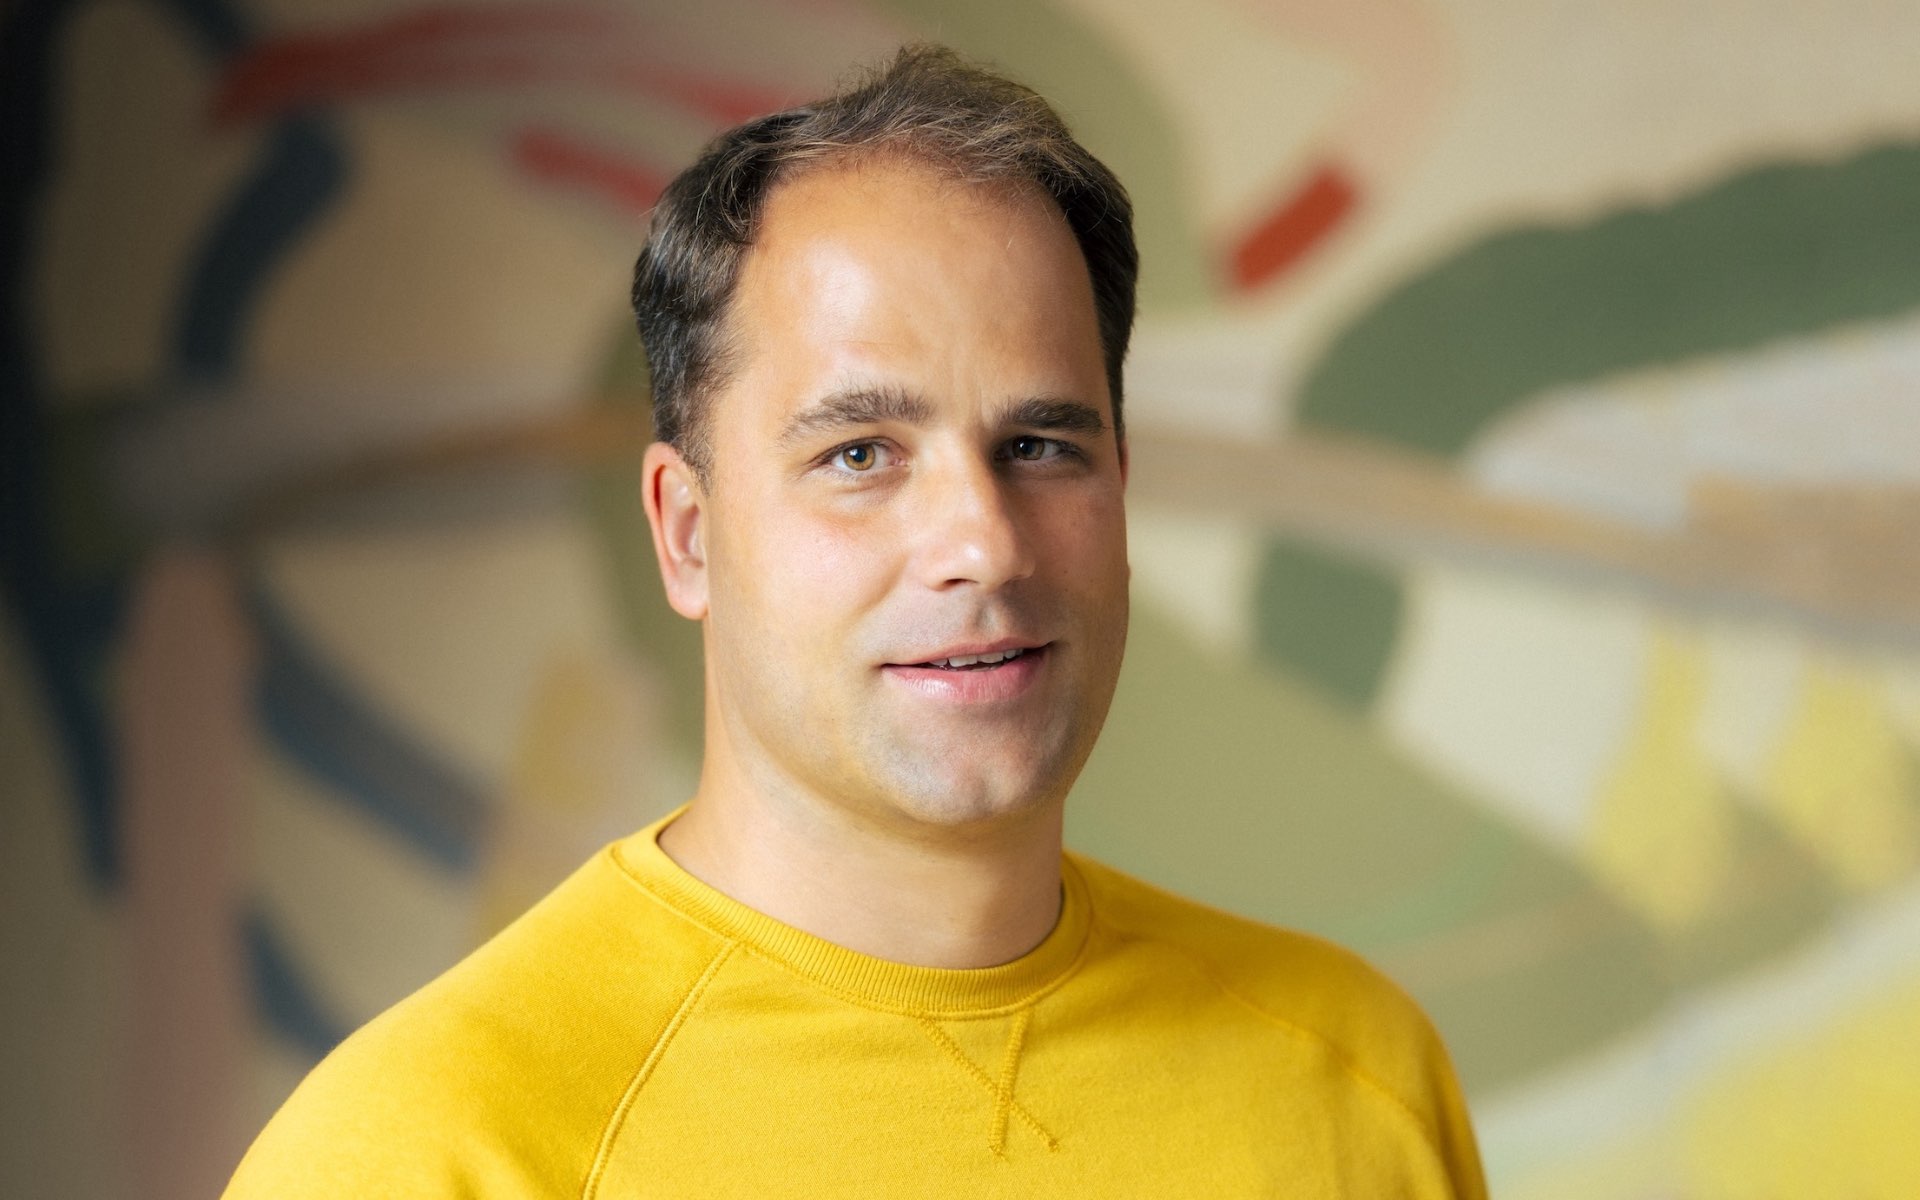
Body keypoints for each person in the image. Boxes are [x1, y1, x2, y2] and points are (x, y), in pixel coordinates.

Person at [225, 45, 1486, 1198]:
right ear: (686, 532)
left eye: (1041, 445)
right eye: (860, 454)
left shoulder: (1358, 1080)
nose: (984, 544)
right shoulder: (422, 1149)